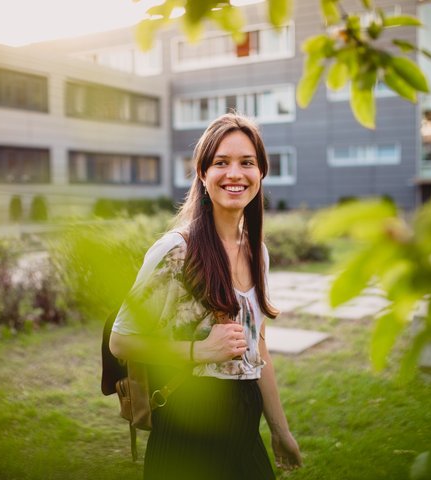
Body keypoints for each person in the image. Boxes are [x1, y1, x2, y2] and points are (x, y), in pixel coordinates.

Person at [109, 112, 302, 479]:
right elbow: (121, 341)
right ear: (202, 173)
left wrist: (280, 431)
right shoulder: (175, 251)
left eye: (247, 163)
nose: (235, 174)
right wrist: (201, 351)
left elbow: (258, 350)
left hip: (245, 422)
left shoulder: (256, 252)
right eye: (220, 163)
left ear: (261, 172)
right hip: (187, 424)